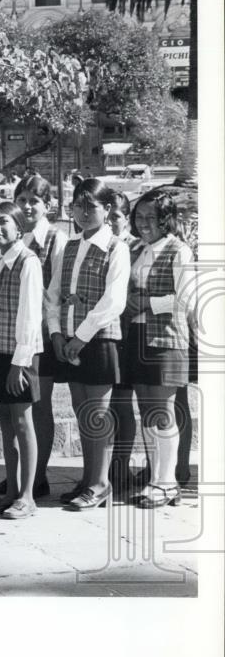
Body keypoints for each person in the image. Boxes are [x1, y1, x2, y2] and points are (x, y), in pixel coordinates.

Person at [46, 179, 129, 510]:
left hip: (97, 340)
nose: (82, 212)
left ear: (106, 209)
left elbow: (114, 300)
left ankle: (100, 483)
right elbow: (53, 293)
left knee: (97, 415)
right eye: (77, 206)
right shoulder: (69, 246)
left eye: (90, 206)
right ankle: (88, 479)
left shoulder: (116, 248)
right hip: (68, 339)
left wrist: (81, 336)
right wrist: (55, 332)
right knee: (82, 413)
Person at [123, 188, 195, 508]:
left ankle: (167, 483)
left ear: (166, 219)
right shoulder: (137, 249)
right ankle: (157, 478)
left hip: (166, 338)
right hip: (137, 337)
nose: (144, 223)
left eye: (152, 217)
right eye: (139, 217)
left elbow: (185, 298)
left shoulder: (179, 251)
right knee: (148, 412)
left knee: (164, 412)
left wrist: (145, 304)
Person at [0, 201, 43, 518]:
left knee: (22, 421)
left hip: (20, 354)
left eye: (3, 221)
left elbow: (30, 316)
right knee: (5, 422)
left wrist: (20, 363)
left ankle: (27, 495)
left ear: (18, 226)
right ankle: (10, 490)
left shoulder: (27, 262)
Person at [15, 175, 67, 498]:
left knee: (39, 403)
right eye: (22, 199)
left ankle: (39, 476)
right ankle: (22, 474)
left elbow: (55, 291)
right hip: (15, 332)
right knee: (17, 406)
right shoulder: (14, 237)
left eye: (34, 200)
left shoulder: (54, 238)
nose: (27, 206)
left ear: (48, 205)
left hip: (43, 334)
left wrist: (51, 331)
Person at [108, 191, 140, 496]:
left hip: (130, 334)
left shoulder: (135, 247)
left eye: (116, 216)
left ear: (126, 218)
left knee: (122, 402)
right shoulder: (98, 245)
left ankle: (121, 464)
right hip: (105, 333)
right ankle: (107, 468)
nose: (110, 222)